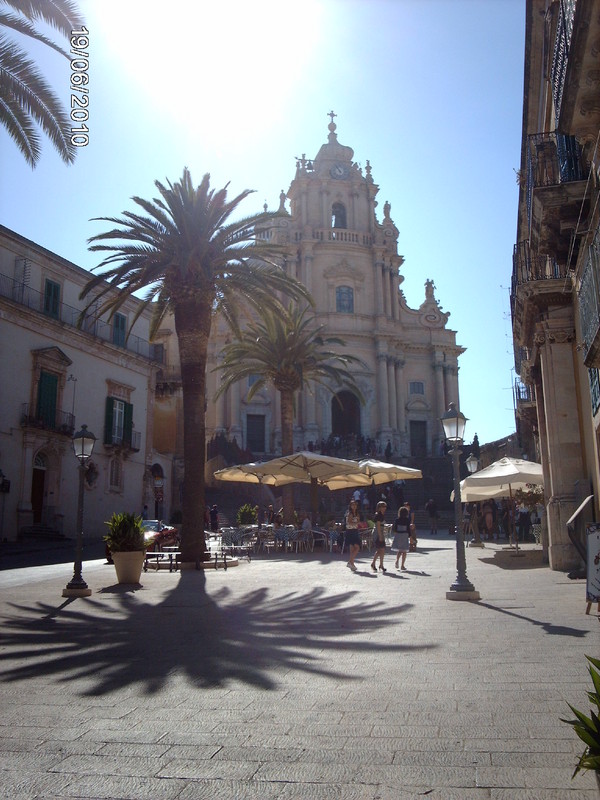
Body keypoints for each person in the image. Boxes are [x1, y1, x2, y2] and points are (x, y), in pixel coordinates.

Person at [344, 498, 362, 572]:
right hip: (350, 531)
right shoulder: (350, 513)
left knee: (354, 548)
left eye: (355, 505)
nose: (354, 506)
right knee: (356, 547)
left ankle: (351, 563)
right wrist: (357, 523)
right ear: (350, 506)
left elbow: (358, 520)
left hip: (355, 530)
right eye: (352, 505)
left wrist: (357, 522)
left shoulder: (357, 513)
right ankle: (350, 562)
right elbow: (349, 522)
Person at [392, 505, 410, 570]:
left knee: (399, 550)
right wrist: (410, 535)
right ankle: (402, 565)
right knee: (404, 550)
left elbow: (394, 528)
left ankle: (397, 560)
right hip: (405, 535)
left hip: (398, 534)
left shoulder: (397, 520)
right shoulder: (407, 520)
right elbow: (408, 528)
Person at [371, 500, 387, 572]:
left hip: (380, 533)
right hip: (378, 533)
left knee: (381, 550)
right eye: (383, 506)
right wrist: (380, 536)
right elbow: (378, 526)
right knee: (380, 549)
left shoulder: (381, 515)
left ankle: (380, 564)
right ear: (379, 507)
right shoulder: (378, 515)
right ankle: (375, 564)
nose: (384, 508)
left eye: (385, 506)